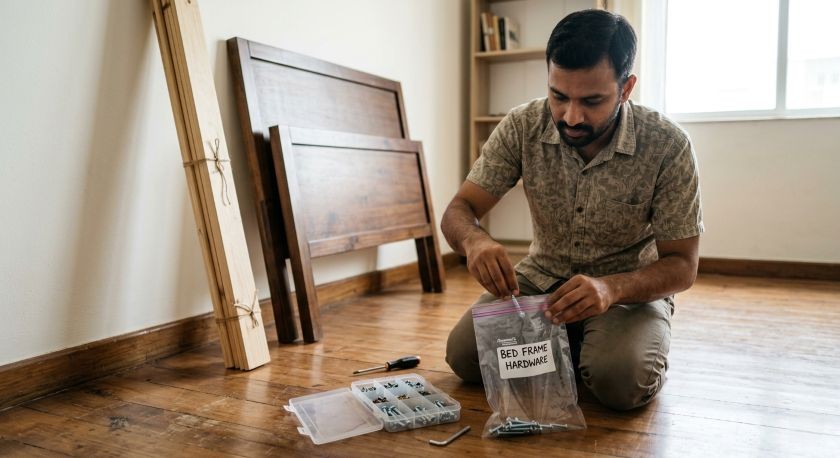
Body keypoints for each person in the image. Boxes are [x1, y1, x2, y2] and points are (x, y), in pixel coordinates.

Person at [442, 9, 703, 411]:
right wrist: (474, 241)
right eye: (559, 96)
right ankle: (576, 344)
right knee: (465, 357)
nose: (571, 117)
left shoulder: (668, 145)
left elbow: (683, 265)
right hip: (540, 279)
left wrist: (611, 289)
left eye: (592, 101)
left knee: (620, 381)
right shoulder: (522, 125)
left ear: (626, 87)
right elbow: (460, 209)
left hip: (627, 291)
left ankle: (591, 344)